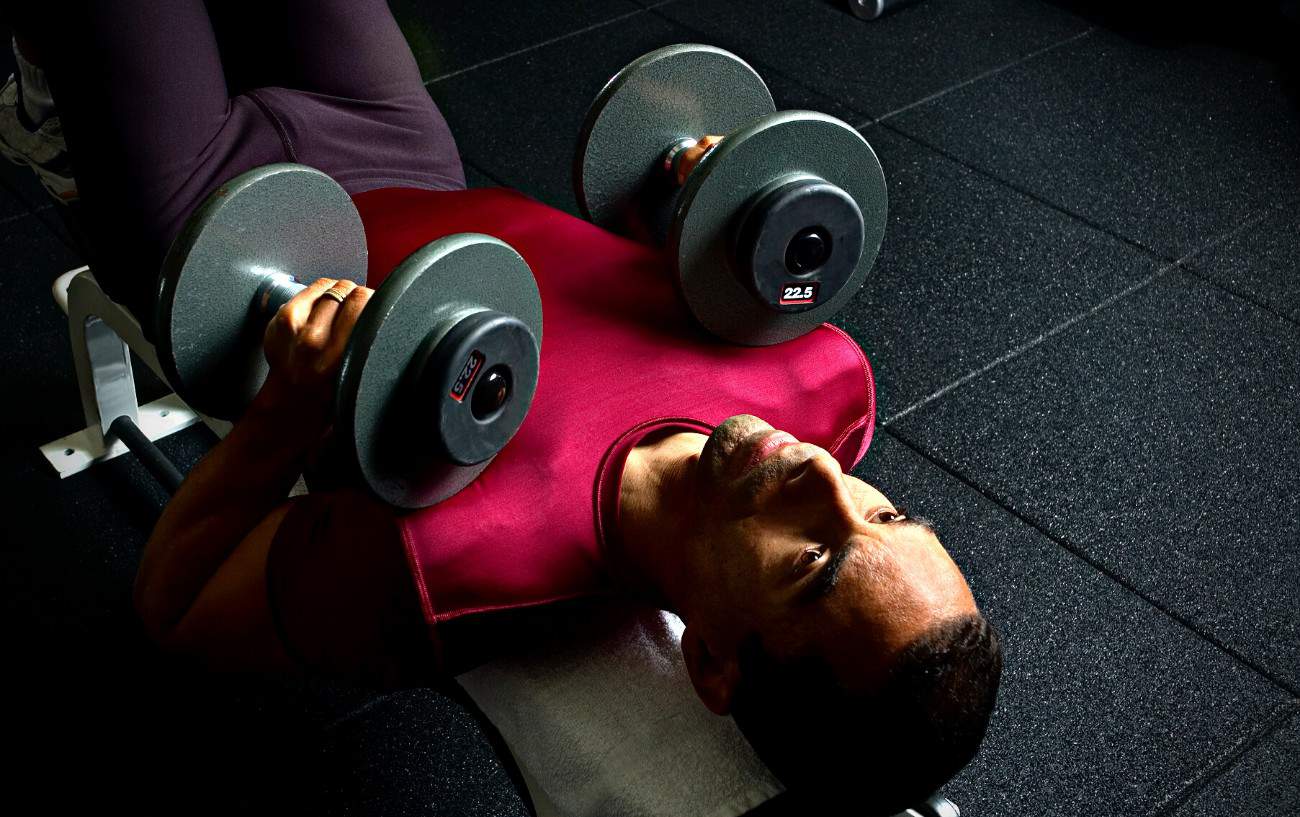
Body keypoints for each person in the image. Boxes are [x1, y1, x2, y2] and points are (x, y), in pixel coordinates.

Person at [3, 2, 1002, 811]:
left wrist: (288, 408)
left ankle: (57, 110)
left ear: (712, 661)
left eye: (814, 561)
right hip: (402, 152)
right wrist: (685, 195)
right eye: (888, 510)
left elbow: (172, 606)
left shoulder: (455, 570)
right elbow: (675, 242)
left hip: (224, 237)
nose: (817, 473)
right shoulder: (819, 380)